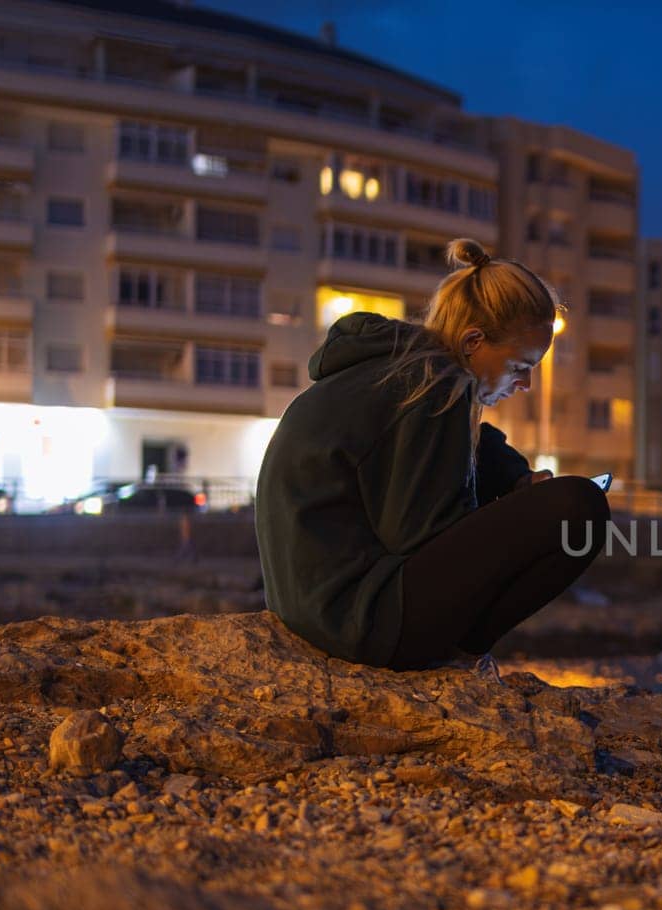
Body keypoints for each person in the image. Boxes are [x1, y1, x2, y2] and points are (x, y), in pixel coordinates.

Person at [255, 238, 610, 672]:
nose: (525, 386)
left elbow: (468, 453)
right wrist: (523, 513)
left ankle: (458, 651)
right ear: (473, 341)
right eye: (520, 367)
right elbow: (418, 536)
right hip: (361, 620)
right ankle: (463, 655)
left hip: (322, 608)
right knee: (579, 508)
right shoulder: (436, 386)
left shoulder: (399, 374)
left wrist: (517, 480)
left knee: (548, 500)